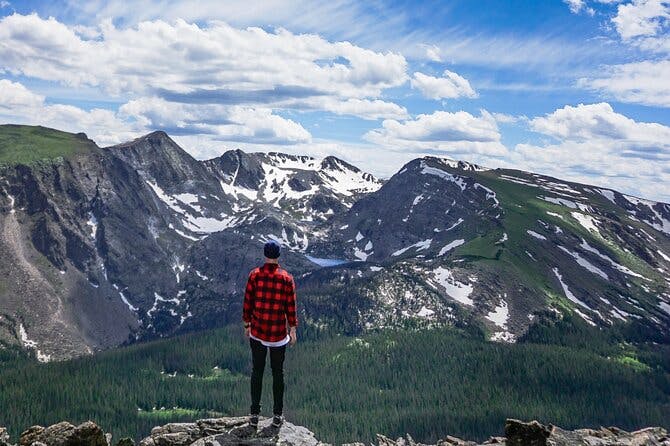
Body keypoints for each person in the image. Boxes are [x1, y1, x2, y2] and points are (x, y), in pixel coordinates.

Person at [242, 240, 298, 429]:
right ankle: (277, 415)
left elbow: (247, 302)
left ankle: (254, 415)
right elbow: (290, 306)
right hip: (278, 335)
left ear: (265, 254)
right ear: (278, 255)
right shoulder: (286, 278)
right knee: (277, 373)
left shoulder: (255, 275)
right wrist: (293, 328)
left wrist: (247, 324)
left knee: (257, 371)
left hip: (258, 332)